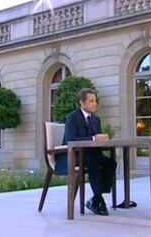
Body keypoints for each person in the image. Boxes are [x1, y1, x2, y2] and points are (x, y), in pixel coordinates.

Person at [55, 88, 116, 216]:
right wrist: (93, 138)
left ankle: (96, 198)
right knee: (94, 162)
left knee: (110, 163)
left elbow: (96, 140)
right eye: (91, 101)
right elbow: (70, 139)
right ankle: (98, 200)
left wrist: (102, 139)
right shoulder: (72, 117)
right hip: (73, 155)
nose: (95, 104)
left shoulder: (96, 119)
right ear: (82, 103)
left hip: (91, 153)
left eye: (96, 101)